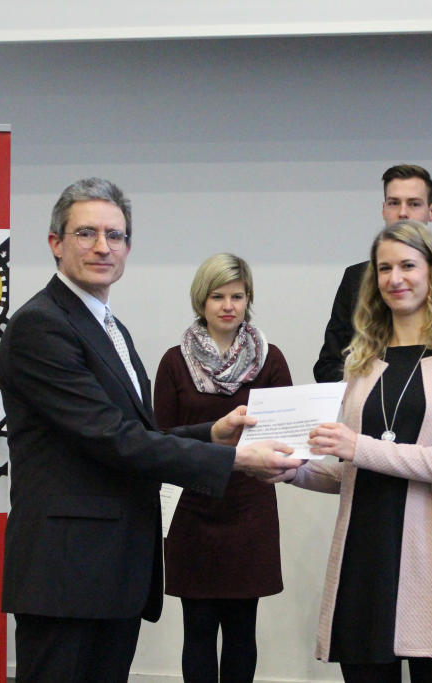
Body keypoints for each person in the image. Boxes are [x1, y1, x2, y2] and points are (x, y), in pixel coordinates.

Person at [0, 178, 299, 683]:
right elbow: (113, 439)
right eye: (86, 233)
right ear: (55, 243)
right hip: (68, 572)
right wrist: (236, 458)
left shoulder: (108, 327)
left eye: (115, 235)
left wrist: (213, 434)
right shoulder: (41, 325)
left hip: (112, 568)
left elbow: (139, 431)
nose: (102, 246)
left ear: (128, 247)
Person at [281, 220, 432, 682]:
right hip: (365, 556)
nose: (395, 278)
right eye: (384, 268)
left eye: (407, 266)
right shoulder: (361, 359)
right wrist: (293, 471)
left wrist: (358, 446)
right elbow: (352, 470)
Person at [154, 254, 292, 683]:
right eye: (218, 296)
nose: (228, 306)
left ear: (248, 299)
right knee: (197, 628)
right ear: (202, 300)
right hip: (192, 510)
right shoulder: (174, 362)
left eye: (237, 296)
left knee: (241, 629)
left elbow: (286, 433)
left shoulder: (270, 360)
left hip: (250, 509)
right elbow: (160, 441)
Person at [313, 164, 432, 382]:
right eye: (394, 203)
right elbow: (328, 367)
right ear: (384, 209)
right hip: (370, 396)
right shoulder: (355, 278)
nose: (403, 213)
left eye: (414, 204)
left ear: (431, 211)